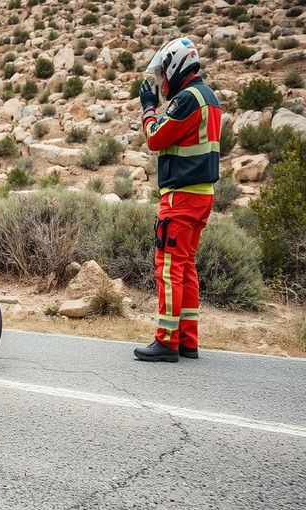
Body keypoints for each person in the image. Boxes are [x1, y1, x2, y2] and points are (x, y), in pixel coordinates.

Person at [134, 38, 222, 363]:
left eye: (162, 74)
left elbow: (156, 138)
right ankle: (188, 340)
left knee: (169, 268)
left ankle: (167, 341)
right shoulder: (209, 98)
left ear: (175, 65)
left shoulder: (187, 100)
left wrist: (147, 108)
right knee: (186, 268)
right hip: (202, 196)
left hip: (181, 198)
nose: (161, 82)